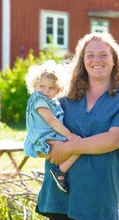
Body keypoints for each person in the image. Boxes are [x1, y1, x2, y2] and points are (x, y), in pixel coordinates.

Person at [35, 32, 119, 220]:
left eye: (103, 54)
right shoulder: (63, 97)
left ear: (114, 60)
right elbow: (40, 129)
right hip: (61, 193)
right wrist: (45, 146)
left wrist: (68, 147)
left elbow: (113, 139)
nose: (96, 60)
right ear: (82, 61)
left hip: (100, 193)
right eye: (90, 55)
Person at [23, 60, 81, 194]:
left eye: (51, 88)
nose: (45, 91)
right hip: (43, 140)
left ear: (58, 90)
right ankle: (60, 171)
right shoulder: (39, 100)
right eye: (42, 86)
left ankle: (59, 171)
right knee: (78, 147)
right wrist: (69, 135)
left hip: (48, 137)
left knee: (78, 147)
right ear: (34, 85)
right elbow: (51, 120)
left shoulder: (52, 101)